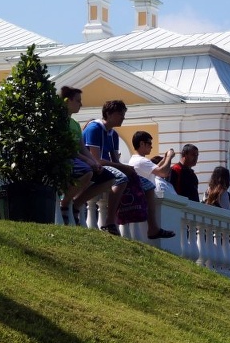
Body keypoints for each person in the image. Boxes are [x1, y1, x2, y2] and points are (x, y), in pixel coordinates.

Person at [81, 100, 173, 239]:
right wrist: (124, 168)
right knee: (121, 178)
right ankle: (110, 222)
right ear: (108, 114)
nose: (123, 117)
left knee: (148, 186)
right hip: (94, 166)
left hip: (107, 166)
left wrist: (126, 168)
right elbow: (97, 160)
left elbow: (115, 160)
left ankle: (153, 228)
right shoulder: (95, 128)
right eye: (120, 114)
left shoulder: (113, 134)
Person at [59, 85, 106, 224]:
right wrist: (88, 161)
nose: (81, 104)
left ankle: (76, 204)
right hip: (65, 159)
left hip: (77, 159)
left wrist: (95, 162)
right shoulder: (59, 122)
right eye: (78, 101)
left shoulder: (74, 124)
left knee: (108, 178)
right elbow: (67, 149)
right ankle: (64, 204)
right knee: (86, 171)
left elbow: (82, 148)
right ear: (67, 101)